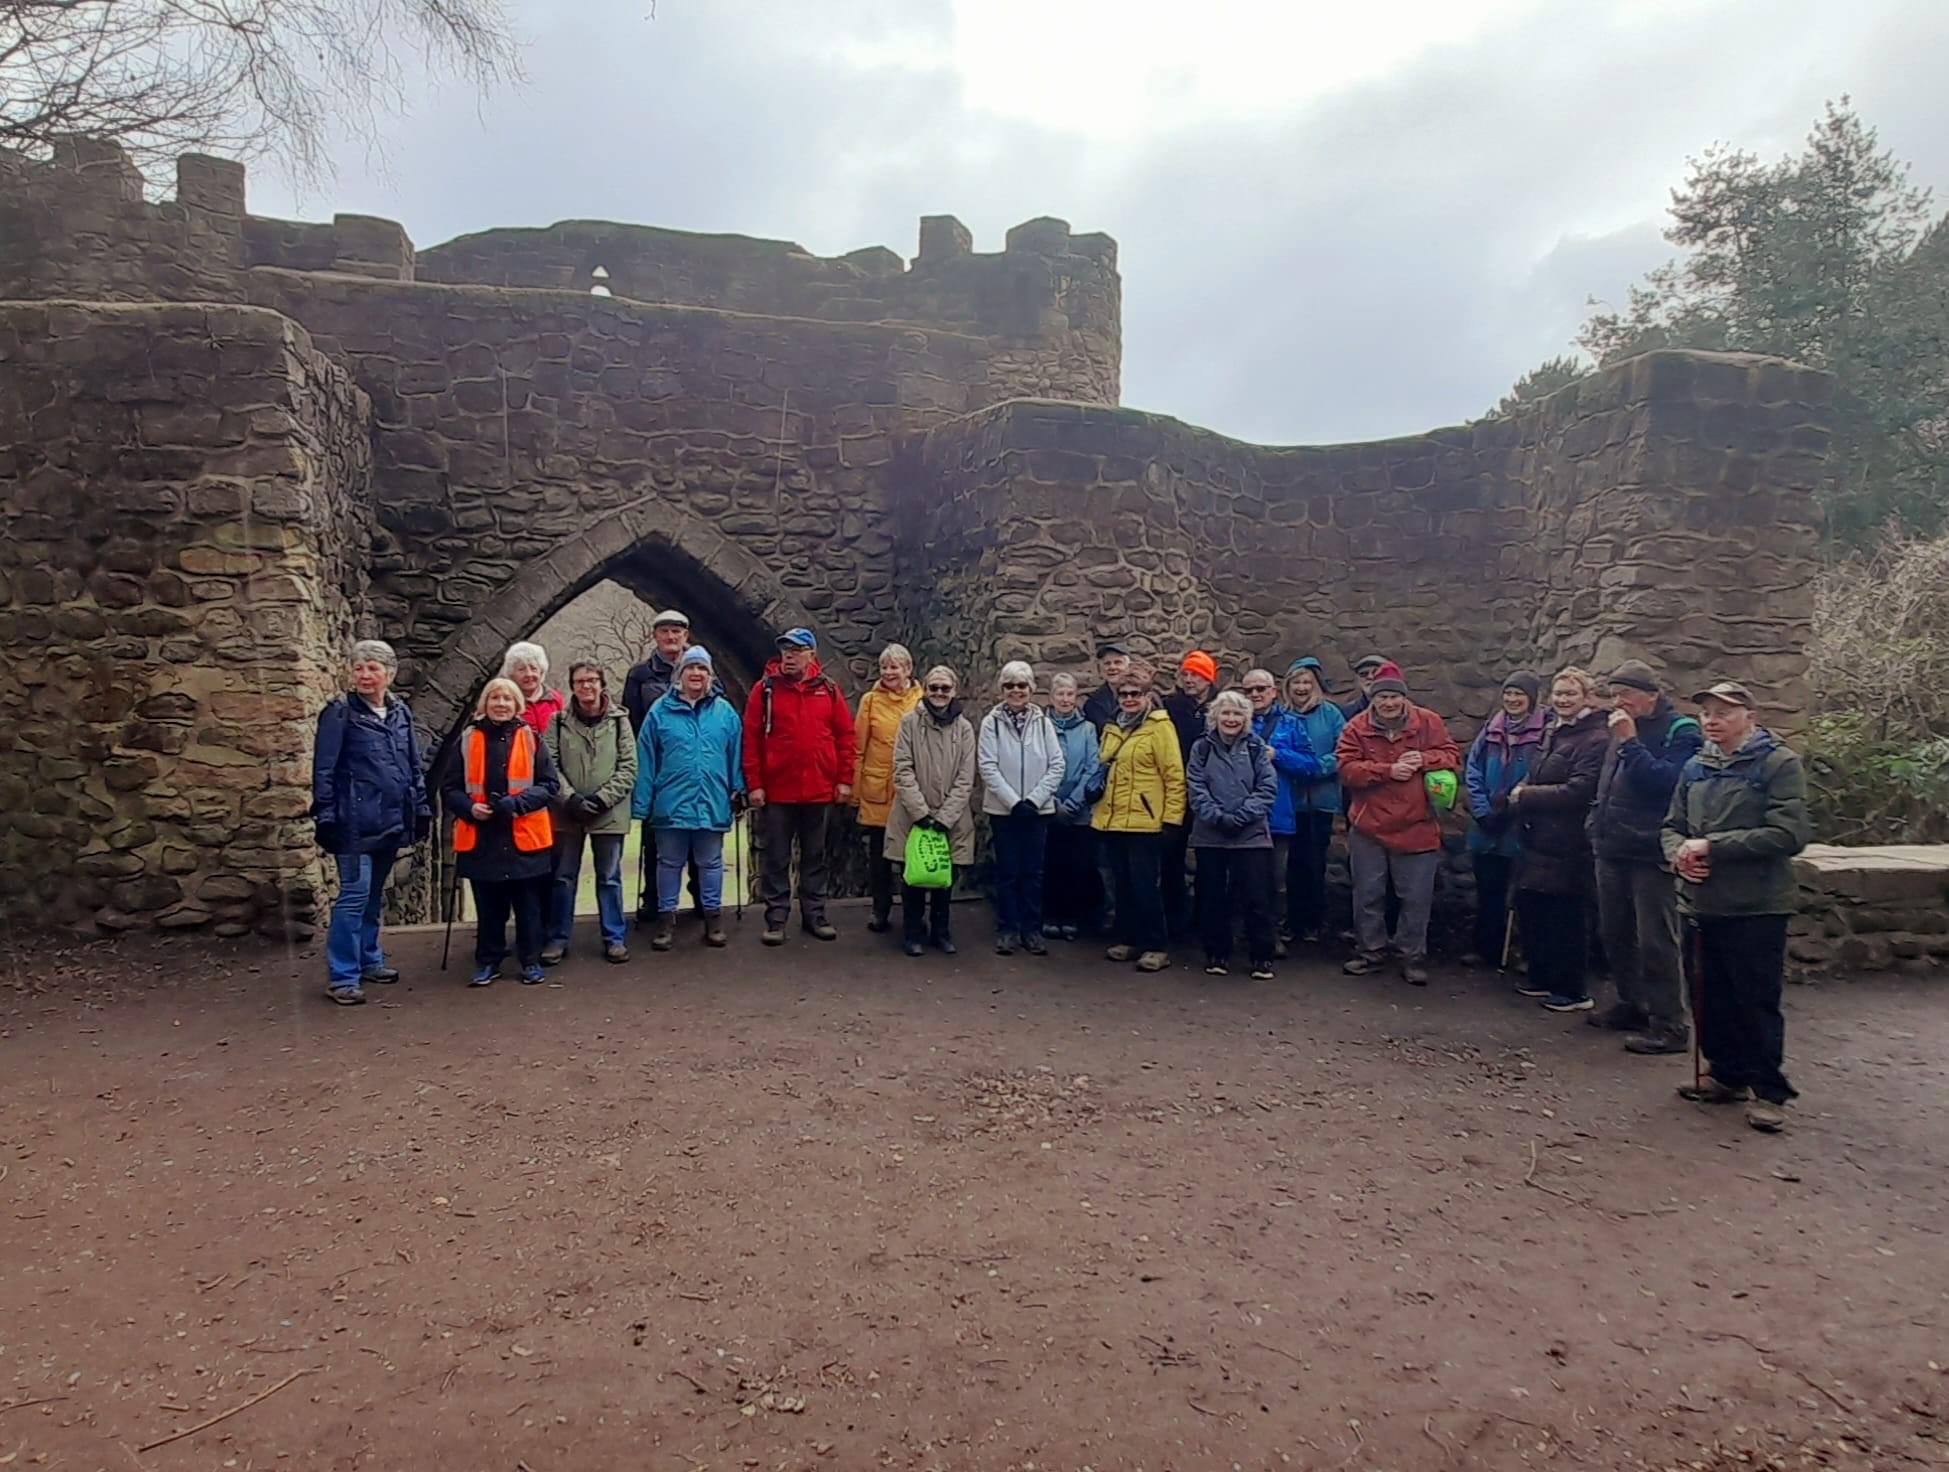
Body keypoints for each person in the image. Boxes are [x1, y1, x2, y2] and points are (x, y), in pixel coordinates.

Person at [1662, 681, 1810, 1133]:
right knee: (1707, 994)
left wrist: (1713, 846)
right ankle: (1725, 1074)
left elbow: (1789, 834)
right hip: (1701, 902)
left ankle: (1769, 1091)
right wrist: (1679, 855)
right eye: (1707, 712)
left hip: (1756, 906)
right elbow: (1672, 825)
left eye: (1724, 712)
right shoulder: (1695, 766)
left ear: (1750, 716)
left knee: (1755, 999)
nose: (1712, 720)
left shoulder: (1778, 764)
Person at [1589, 659, 1704, 1054]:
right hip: (1612, 845)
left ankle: (1670, 1024)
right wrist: (1595, 824)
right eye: (1614, 694)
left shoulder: (1681, 731)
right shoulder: (1622, 727)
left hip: (1651, 850)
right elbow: (1608, 783)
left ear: (1652, 695)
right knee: (1615, 932)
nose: (1618, 702)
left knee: (1656, 940)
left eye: (1626, 694)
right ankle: (1632, 1003)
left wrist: (1629, 741)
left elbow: (1666, 783)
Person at [310, 639, 431, 1006]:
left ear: (389, 674)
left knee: (374, 894)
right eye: (359, 668)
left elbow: (412, 766)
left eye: (373, 668)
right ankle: (343, 976)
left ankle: (369, 959)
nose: (364, 675)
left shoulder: (400, 713)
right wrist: (326, 814)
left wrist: (420, 808)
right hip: (352, 822)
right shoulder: (340, 714)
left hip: (390, 819)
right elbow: (324, 769)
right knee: (354, 894)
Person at [1335, 661, 1460, 985]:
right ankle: (1370, 952)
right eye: (1382, 697)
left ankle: (1411, 956)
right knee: (1368, 894)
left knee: (1416, 897)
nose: (1388, 703)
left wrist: (1424, 759)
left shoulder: (1428, 722)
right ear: (1372, 698)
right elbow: (1346, 770)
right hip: (1369, 825)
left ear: (1404, 697)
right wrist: (1387, 770)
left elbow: (1452, 756)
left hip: (1418, 823)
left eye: (1394, 696)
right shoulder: (1356, 727)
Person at [742, 627, 857, 946]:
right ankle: (776, 919)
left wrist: (845, 779)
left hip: (819, 789)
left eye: (796, 650)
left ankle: (815, 915)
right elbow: (751, 739)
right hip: (778, 791)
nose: (789, 656)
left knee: (815, 857)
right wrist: (755, 784)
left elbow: (846, 736)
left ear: (811, 654)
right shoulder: (765, 690)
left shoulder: (829, 689)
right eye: (785, 650)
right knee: (777, 858)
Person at [443, 677, 560, 987]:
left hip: (523, 836)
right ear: (485, 703)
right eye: (495, 698)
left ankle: (530, 961)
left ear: (517, 704)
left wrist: (517, 804)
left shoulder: (532, 738)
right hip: (482, 836)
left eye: (507, 699)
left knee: (528, 906)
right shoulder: (466, 740)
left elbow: (549, 785)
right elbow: (450, 788)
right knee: (489, 907)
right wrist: (470, 808)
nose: (501, 704)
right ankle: (488, 961)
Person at [1508, 668, 1609, 1011]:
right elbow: (1539, 772)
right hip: (1540, 837)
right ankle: (1543, 976)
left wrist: (1526, 796)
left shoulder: (1596, 738)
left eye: (1571, 694)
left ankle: (1572, 990)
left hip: (1570, 840)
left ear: (1587, 698)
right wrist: (1525, 787)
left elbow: (1580, 791)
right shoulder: (1554, 731)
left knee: (1568, 915)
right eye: (1559, 693)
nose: (1563, 700)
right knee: (1538, 909)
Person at [633, 646, 744, 950]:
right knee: (669, 864)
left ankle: (713, 921)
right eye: (690, 668)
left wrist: (739, 789)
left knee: (711, 864)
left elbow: (736, 754)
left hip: (712, 800)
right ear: (679, 674)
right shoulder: (659, 712)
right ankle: (665, 922)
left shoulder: (725, 712)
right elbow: (646, 759)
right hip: (671, 803)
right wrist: (642, 804)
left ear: (710, 675)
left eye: (702, 669)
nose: (696, 674)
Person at [1094, 661, 1187, 973]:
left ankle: (1156, 945)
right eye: (1124, 694)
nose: (1130, 699)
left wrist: (1172, 819)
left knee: (1145, 885)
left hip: (1146, 821)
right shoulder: (1113, 727)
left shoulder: (1161, 728)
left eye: (1136, 693)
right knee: (1122, 884)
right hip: (1114, 818)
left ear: (1148, 696)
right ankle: (1129, 938)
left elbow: (1174, 775)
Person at [541, 661, 636, 967]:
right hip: (567, 813)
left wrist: (602, 799)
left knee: (609, 877)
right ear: (572, 686)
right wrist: (569, 799)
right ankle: (557, 938)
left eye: (592, 680)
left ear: (601, 684)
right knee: (563, 877)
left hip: (608, 813)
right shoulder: (557, 722)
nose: (587, 686)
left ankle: (614, 938)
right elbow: (549, 764)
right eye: (580, 681)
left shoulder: (620, 721)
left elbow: (629, 766)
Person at [1187, 690, 1279, 980]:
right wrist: (1216, 816)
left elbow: (1267, 788)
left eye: (1237, 713)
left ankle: (1261, 956)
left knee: (1256, 897)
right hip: (1210, 834)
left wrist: (1240, 817)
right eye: (1225, 713)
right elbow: (1195, 786)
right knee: (1213, 897)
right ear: (1215, 717)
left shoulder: (1256, 747)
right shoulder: (1201, 748)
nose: (1231, 719)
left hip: (1251, 835)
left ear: (1246, 718)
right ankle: (1217, 953)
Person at [887, 665, 978, 956]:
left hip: (951, 816)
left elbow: (966, 776)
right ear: (925, 689)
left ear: (954, 691)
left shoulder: (964, 728)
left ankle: (941, 931)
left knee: (944, 876)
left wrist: (945, 816)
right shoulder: (909, 723)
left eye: (945, 688)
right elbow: (902, 769)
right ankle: (912, 932)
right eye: (934, 687)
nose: (939, 693)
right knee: (913, 876)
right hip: (913, 815)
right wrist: (920, 812)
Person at [978, 660, 1066, 955]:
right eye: (1010, 685)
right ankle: (1008, 928)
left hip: (1036, 812)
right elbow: (987, 766)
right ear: (1002, 689)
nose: (1016, 691)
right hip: (1004, 811)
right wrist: (1013, 802)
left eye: (1022, 685)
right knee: (1008, 871)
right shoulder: (991, 723)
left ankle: (1032, 929)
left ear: (1031, 688)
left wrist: (1034, 800)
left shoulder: (1043, 723)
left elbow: (1057, 764)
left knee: (1033, 871)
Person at [1462, 670, 1546, 967]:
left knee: (1526, 891)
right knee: (1488, 888)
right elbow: (1473, 769)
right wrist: (1482, 811)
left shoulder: (1545, 731)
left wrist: (1513, 805)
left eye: (1519, 694)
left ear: (1532, 698)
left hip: (1523, 822)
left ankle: (1524, 951)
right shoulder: (1491, 728)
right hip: (1487, 823)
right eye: (1508, 693)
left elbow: (1538, 771)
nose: (1512, 699)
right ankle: (1487, 948)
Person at [852, 643, 923, 934]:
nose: (888, 672)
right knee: (879, 858)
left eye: (894, 667)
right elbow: (858, 748)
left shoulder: (921, 700)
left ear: (908, 669)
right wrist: (856, 792)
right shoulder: (870, 701)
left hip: (911, 791)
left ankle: (913, 913)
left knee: (911, 856)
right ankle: (880, 910)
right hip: (878, 790)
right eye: (884, 667)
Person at [1280, 657, 1346, 945]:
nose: (1302, 687)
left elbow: (1344, 750)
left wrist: (1319, 767)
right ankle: (1292, 920)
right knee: (1292, 863)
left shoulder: (1331, 714)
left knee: (1315, 861)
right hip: (1289, 800)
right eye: (1296, 682)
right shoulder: (1282, 715)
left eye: (1307, 682)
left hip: (1320, 799)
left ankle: (1313, 920)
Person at [1161, 651, 1219, 937]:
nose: (1189, 679)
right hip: (1176, 790)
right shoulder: (1169, 706)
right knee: (1171, 856)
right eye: (1185, 674)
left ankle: (1206, 921)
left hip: (1211, 791)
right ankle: (1174, 919)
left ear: (1208, 678)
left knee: (1210, 858)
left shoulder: (1221, 707)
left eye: (1195, 674)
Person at [1042, 673, 1104, 940]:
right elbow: (1038, 764)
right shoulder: (1041, 726)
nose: (1065, 699)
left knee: (1076, 865)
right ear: (1051, 697)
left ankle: (1070, 918)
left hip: (1078, 811)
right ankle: (1049, 916)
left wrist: (1074, 803)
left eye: (1070, 694)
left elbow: (1093, 767)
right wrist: (1053, 801)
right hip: (1047, 806)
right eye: (1060, 694)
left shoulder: (1088, 729)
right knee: (1050, 863)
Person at [623, 609, 693, 733]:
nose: (670, 637)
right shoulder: (639, 674)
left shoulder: (703, 672)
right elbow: (631, 720)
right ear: (655, 635)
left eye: (676, 631)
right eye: (664, 631)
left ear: (685, 635)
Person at [501, 642, 565, 737]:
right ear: (511, 674)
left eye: (533, 668)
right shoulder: (505, 702)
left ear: (541, 671)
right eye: (521, 669)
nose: (529, 674)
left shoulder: (555, 699)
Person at [1082, 640, 1134, 733]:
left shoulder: (1141, 697)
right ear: (1100, 669)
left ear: (1129, 667)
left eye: (1117, 662)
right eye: (1107, 663)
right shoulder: (1093, 704)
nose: (1112, 667)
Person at [1341, 653, 1388, 718]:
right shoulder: (1346, 712)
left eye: (1376, 672)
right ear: (1357, 679)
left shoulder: (1401, 708)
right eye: (1363, 674)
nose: (1370, 677)